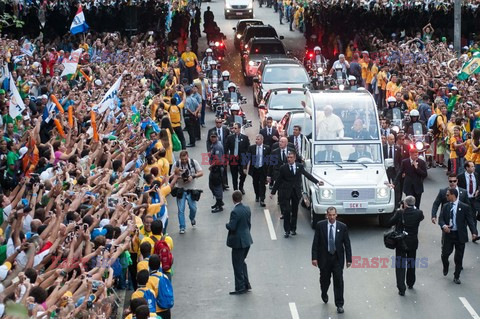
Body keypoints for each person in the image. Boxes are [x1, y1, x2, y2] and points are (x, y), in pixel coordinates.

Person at [311, 207, 352, 314]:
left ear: (336, 215)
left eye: (334, 215)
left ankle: (339, 304)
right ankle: (324, 292)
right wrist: (314, 258)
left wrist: (349, 259)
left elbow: (347, 244)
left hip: (337, 259)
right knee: (325, 280)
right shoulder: (320, 225)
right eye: (330, 215)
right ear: (326, 215)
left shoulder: (342, 227)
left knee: (338, 281)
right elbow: (316, 242)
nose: (332, 217)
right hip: (324, 258)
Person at [271, 151, 322, 237]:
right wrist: (273, 192)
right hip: (286, 192)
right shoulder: (283, 168)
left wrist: (317, 182)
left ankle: (293, 229)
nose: (289, 159)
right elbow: (279, 180)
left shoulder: (300, 166)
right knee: (287, 211)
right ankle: (286, 230)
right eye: (288, 158)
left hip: (296, 192)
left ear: (294, 158)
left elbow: (307, 175)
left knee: (294, 211)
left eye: (291, 157)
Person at [438, 188, 478, 284]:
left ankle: (456, 276)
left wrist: (474, 232)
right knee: (445, 254)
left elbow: (470, 221)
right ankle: (446, 265)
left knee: (459, 257)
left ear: (453, 195)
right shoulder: (446, 206)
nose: (446, 196)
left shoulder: (464, 207)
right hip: (449, 234)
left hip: (460, 235)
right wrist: (443, 226)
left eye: (448, 195)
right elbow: (441, 219)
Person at [387, 196, 424, 296]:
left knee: (400, 265)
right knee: (411, 263)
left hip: (401, 242)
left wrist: (400, 209)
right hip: (413, 242)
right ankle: (410, 282)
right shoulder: (419, 213)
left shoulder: (400, 213)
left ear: (405, 204)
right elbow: (421, 217)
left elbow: (390, 222)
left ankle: (401, 288)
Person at [226, 191, 253, 295]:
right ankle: (246, 284)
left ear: (233, 199)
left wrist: (227, 225)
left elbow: (232, 226)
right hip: (247, 240)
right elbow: (248, 224)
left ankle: (240, 287)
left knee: (237, 264)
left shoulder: (235, 212)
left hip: (238, 242)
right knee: (242, 262)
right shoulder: (247, 209)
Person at [174, 151, 203, 234]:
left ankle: (192, 218)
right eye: (182, 159)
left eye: (185, 159)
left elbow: (201, 172)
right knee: (181, 210)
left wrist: (193, 176)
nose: (183, 161)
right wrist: (179, 175)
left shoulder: (193, 162)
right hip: (181, 189)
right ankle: (182, 227)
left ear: (188, 156)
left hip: (191, 189)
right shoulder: (176, 164)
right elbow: (172, 176)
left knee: (193, 208)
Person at [244, 134, 270, 207]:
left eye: (258, 139)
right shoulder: (251, 148)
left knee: (262, 184)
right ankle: (257, 195)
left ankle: (262, 199)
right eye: (256, 139)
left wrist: (269, 171)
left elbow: (269, 159)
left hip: (262, 168)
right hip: (255, 168)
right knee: (255, 183)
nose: (256, 141)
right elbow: (247, 158)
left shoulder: (267, 148)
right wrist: (245, 167)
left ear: (262, 140)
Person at [225, 123, 250, 194]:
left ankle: (241, 186)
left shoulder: (245, 138)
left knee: (243, 174)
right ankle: (235, 189)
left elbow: (248, 149)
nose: (234, 130)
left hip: (242, 158)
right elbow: (226, 148)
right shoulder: (230, 137)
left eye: (235, 128)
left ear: (239, 129)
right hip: (233, 158)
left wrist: (247, 159)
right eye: (233, 128)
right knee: (234, 175)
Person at [207, 118, 230, 189]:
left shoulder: (226, 130)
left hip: (224, 152)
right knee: (216, 168)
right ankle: (218, 183)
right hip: (215, 152)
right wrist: (209, 150)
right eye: (217, 122)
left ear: (222, 123)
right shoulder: (211, 131)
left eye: (220, 122)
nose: (218, 124)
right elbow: (208, 141)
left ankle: (225, 183)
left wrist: (228, 150)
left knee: (224, 167)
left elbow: (228, 140)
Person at [457, 161, 480, 230]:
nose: (474, 168)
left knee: (473, 217)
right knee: (463, 217)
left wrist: (478, 191)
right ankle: (462, 234)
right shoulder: (460, 177)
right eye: (472, 166)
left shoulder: (476, 175)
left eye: (474, 166)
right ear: (467, 168)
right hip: (464, 199)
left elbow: (479, 185)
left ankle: (474, 234)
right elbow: (457, 188)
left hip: (473, 199)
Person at [208, 132, 225, 213]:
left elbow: (218, 160)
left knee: (217, 187)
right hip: (214, 169)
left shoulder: (217, 146)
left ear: (217, 137)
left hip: (217, 169)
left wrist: (211, 166)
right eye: (212, 137)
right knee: (211, 185)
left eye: (214, 137)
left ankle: (219, 205)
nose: (213, 138)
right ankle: (218, 201)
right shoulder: (213, 145)